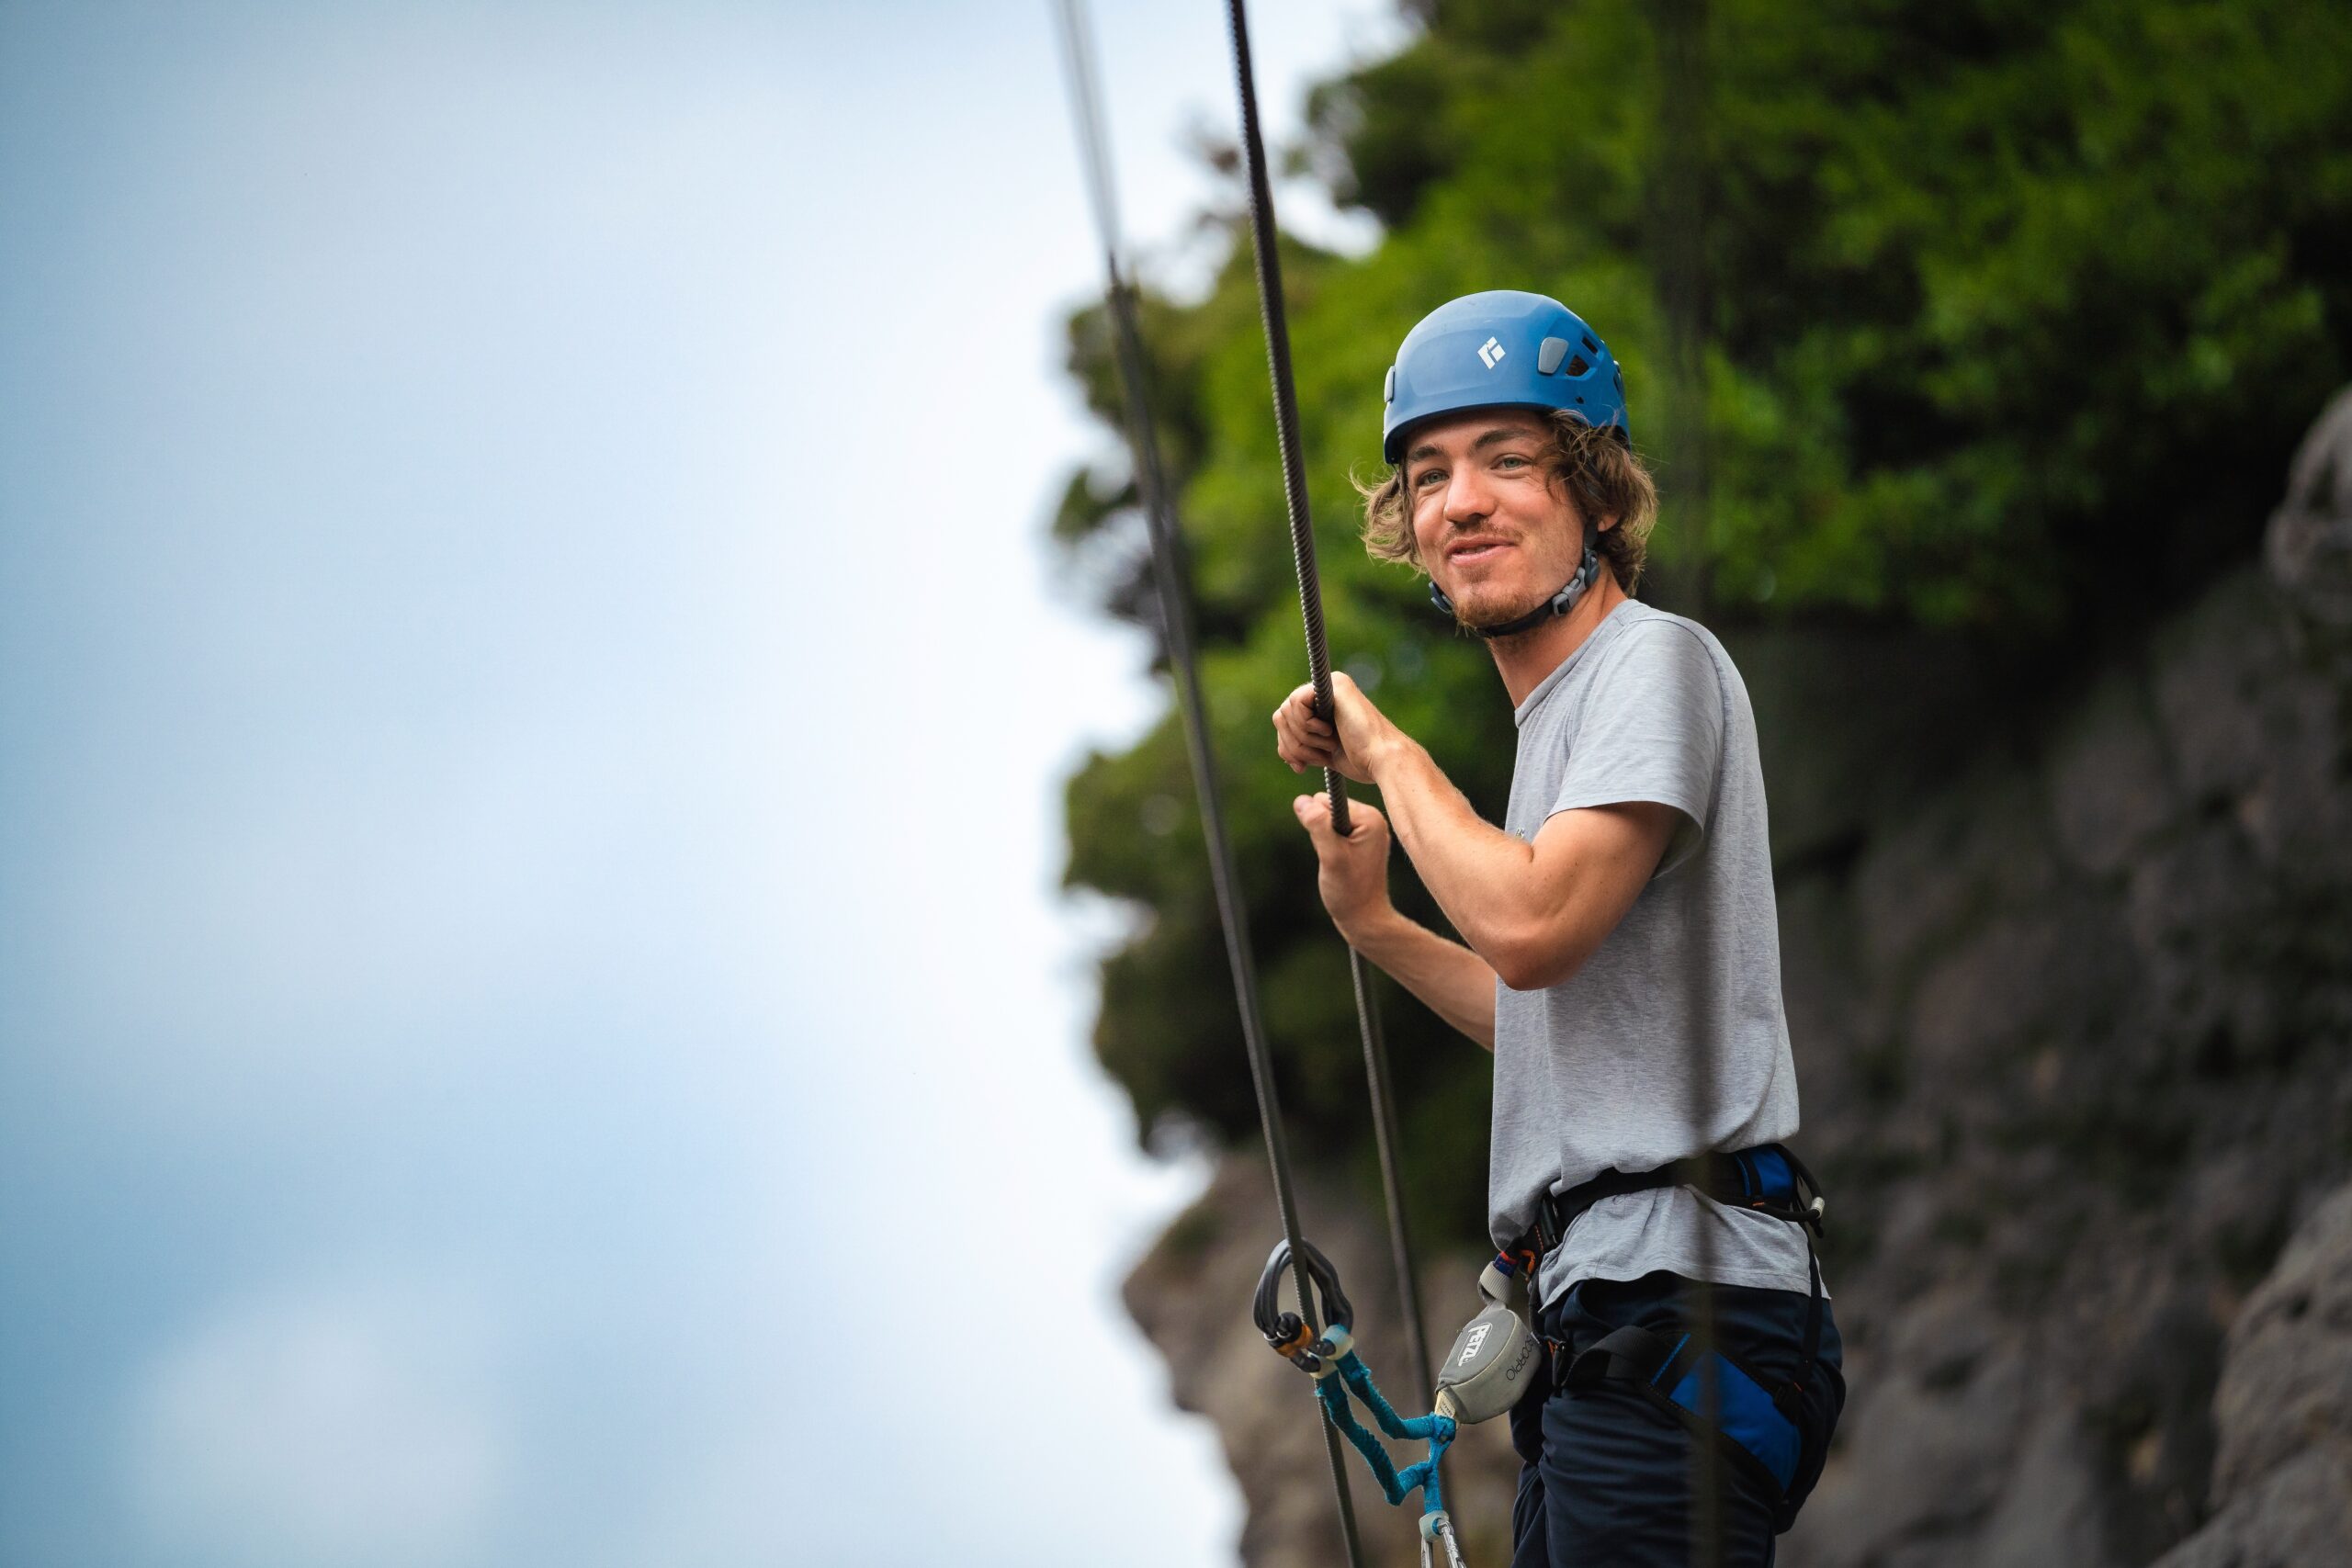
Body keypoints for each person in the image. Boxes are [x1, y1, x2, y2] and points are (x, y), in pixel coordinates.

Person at [1269, 291, 1845, 1567]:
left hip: (1675, 1305)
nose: (1460, 500)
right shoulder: (1562, 735)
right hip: (1613, 1326)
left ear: (1594, 491)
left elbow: (1531, 928)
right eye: (1429, 476)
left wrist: (1390, 750)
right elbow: (1565, 1030)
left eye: (1508, 461)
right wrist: (1380, 929)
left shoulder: (1655, 665)